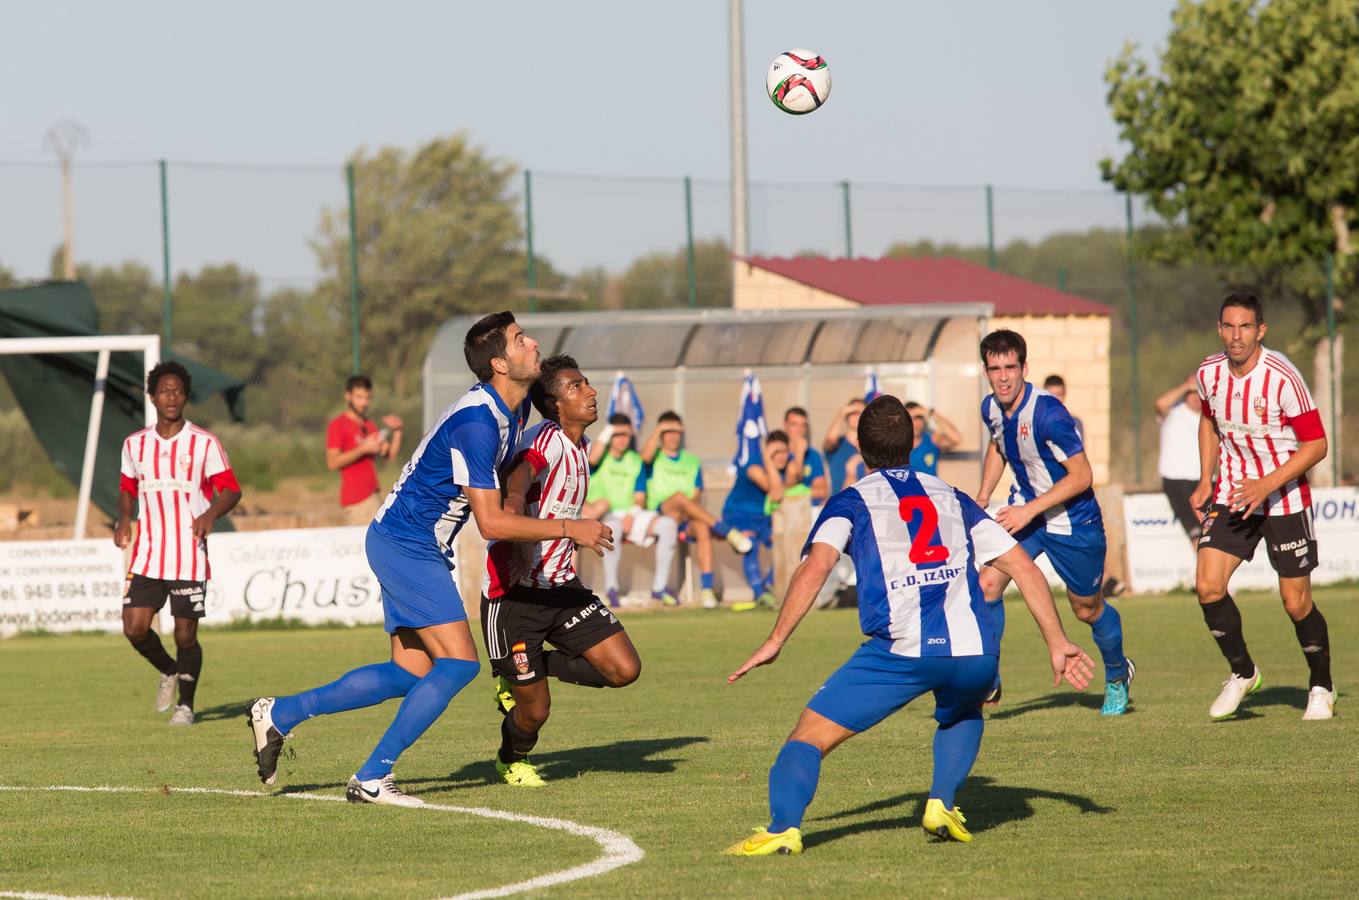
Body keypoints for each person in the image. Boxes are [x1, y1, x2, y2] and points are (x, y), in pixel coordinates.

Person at [246, 312, 612, 805]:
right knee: (459, 665)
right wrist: (572, 528)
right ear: (500, 364)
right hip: (407, 542)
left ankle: (280, 713)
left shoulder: (516, 409)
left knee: (411, 673)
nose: (534, 344)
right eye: (522, 340)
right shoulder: (478, 423)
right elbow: (493, 525)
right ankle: (373, 777)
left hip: (411, 541)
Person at [722, 396, 1094, 854]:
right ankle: (940, 802)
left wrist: (775, 639)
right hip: (975, 654)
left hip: (901, 653)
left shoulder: (852, 500)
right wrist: (1057, 642)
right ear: (913, 442)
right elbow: (1025, 568)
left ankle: (783, 829)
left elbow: (817, 565)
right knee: (962, 711)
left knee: (808, 737)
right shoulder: (952, 496)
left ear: (860, 448)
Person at [482, 356, 642, 787]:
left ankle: (527, 669)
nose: (590, 391)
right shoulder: (546, 440)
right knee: (534, 713)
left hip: (563, 589)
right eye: (576, 387)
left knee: (624, 670)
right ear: (553, 404)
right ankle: (510, 758)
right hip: (515, 597)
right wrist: (516, 528)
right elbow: (518, 480)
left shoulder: (582, 447)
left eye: (587, 383)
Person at [1191, 292, 1334, 721]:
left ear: (1261, 331)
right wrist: (1205, 478)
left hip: (1284, 497)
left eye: (1245, 327)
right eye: (1229, 327)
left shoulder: (1282, 377)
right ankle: (1243, 672)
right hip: (1234, 493)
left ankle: (1321, 685)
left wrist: (1267, 484)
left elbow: (1318, 444)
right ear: (1220, 329)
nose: (1237, 336)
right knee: (1207, 586)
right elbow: (1209, 421)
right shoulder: (1208, 373)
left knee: (1295, 603)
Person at [975, 330, 1134, 716]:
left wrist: (1029, 511)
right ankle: (987, 677)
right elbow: (999, 445)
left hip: (1073, 522)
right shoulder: (991, 407)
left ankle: (1117, 674)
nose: (1003, 377)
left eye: (1010, 367)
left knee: (1086, 609)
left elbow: (1082, 476)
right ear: (986, 371)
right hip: (1026, 512)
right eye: (994, 369)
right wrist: (982, 495)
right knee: (987, 584)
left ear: (1024, 368)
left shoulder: (1049, 413)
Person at [115, 360, 241, 727]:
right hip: (149, 554)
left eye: (179, 391)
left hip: (188, 554)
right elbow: (127, 488)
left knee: (185, 634)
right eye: (165, 391)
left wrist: (210, 514)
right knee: (134, 628)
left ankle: (186, 706)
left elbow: (231, 489)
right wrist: (125, 517)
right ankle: (168, 669)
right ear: (152, 396)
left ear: (185, 396)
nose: (172, 397)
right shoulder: (135, 444)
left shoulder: (204, 443)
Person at [640, 411, 753, 609]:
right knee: (679, 497)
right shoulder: (655, 457)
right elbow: (645, 456)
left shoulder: (692, 461)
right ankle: (728, 531)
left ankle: (707, 589)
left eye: (677, 431)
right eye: (668, 431)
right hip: (662, 513)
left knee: (702, 527)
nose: (673, 435)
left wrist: (685, 511)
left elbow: (696, 496)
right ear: (661, 434)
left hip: (685, 515)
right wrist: (659, 427)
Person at [583, 414, 679, 607]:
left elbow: (640, 497)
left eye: (626, 435)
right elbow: (591, 459)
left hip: (632, 514)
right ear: (609, 435)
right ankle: (612, 588)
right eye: (617, 434)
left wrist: (632, 514)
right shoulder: (599, 456)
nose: (622, 439)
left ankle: (659, 589)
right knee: (613, 528)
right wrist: (610, 430)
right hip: (604, 516)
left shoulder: (635, 460)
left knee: (668, 525)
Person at [722, 430, 789, 611]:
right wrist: (768, 459)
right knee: (749, 543)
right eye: (777, 452)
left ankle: (768, 585)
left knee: (787, 545)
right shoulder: (754, 466)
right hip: (738, 516)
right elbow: (775, 491)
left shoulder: (783, 468)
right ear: (767, 451)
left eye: (785, 452)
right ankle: (760, 593)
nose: (782, 457)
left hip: (763, 520)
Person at [326, 375, 404, 525]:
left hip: (374, 494)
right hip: (357, 501)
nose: (364, 403)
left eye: (367, 398)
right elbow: (332, 462)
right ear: (348, 396)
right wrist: (363, 449)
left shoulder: (369, 425)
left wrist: (398, 432)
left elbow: (389, 455)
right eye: (359, 397)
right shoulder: (338, 425)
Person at [1156, 375, 1206, 542]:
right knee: (1196, 532)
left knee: (1211, 533)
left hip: (1206, 480)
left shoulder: (1210, 416)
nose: (1194, 396)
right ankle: (1205, 568)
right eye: (1191, 392)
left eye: (1198, 392)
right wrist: (1187, 386)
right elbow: (1160, 404)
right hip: (1177, 480)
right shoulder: (1174, 412)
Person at [780, 407, 827, 504]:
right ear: (785, 425)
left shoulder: (813, 455)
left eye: (803, 425)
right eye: (794, 424)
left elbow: (821, 491)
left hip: (806, 511)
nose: (799, 429)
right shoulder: (778, 453)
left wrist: (792, 493)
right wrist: (799, 454)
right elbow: (776, 490)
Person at [820, 398, 865, 495]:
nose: (858, 416)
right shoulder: (838, 445)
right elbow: (830, 440)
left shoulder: (871, 447)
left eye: (861, 412)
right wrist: (842, 412)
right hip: (839, 502)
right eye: (854, 412)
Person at [905, 402, 963, 475]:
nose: (915, 423)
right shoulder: (897, 443)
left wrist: (931, 413)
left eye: (919, 418)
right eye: (911, 418)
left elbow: (956, 439)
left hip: (929, 486)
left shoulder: (931, 439)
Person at [1042, 374, 1084, 439]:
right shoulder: (1035, 422)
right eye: (1051, 395)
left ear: (1064, 394)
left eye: (1059, 394)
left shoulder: (1075, 423)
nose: (1055, 399)